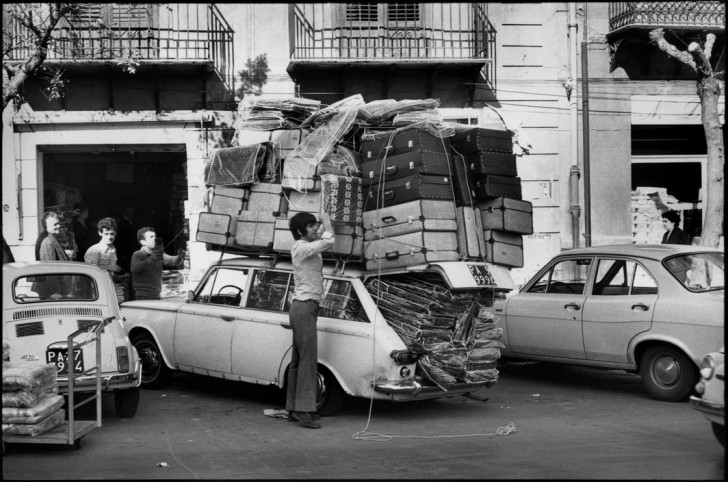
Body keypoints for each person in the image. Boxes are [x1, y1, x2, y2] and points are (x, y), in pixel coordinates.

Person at [285, 212, 334, 429]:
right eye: (311, 226)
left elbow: (322, 238)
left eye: (316, 225)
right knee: (307, 360)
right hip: (304, 307)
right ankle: (305, 411)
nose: (316, 229)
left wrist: (322, 222)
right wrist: (328, 220)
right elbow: (329, 240)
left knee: (298, 361)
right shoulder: (301, 248)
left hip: (305, 307)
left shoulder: (308, 246)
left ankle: (295, 409)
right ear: (299, 231)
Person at [130, 227, 185, 301]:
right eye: (151, 237)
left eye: (155, 236)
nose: (154, 239)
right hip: (143, 295)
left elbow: (173, 261)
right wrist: (150, 259)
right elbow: (134, 269)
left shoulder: (159, 254)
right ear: (143, 242)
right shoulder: (138, 254)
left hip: (156, 293)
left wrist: (180, 257)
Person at [84, 217, 129, 283]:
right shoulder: (94, 250)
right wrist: (110, 267)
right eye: (106, 234)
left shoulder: (113, 249)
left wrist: (119, 278)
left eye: (112, 234)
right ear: (100, 233)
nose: (109, 237)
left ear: (116, 233)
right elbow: (89, 271)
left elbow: (110, 275)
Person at [116, 206, 138, 273]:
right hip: (126, 254)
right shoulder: (122, 224)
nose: (132, 214)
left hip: (130, 253)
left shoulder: (132, 222)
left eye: (133, 212)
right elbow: (121, 241)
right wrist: (122, 255)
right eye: (130, 212)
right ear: (124, 213)